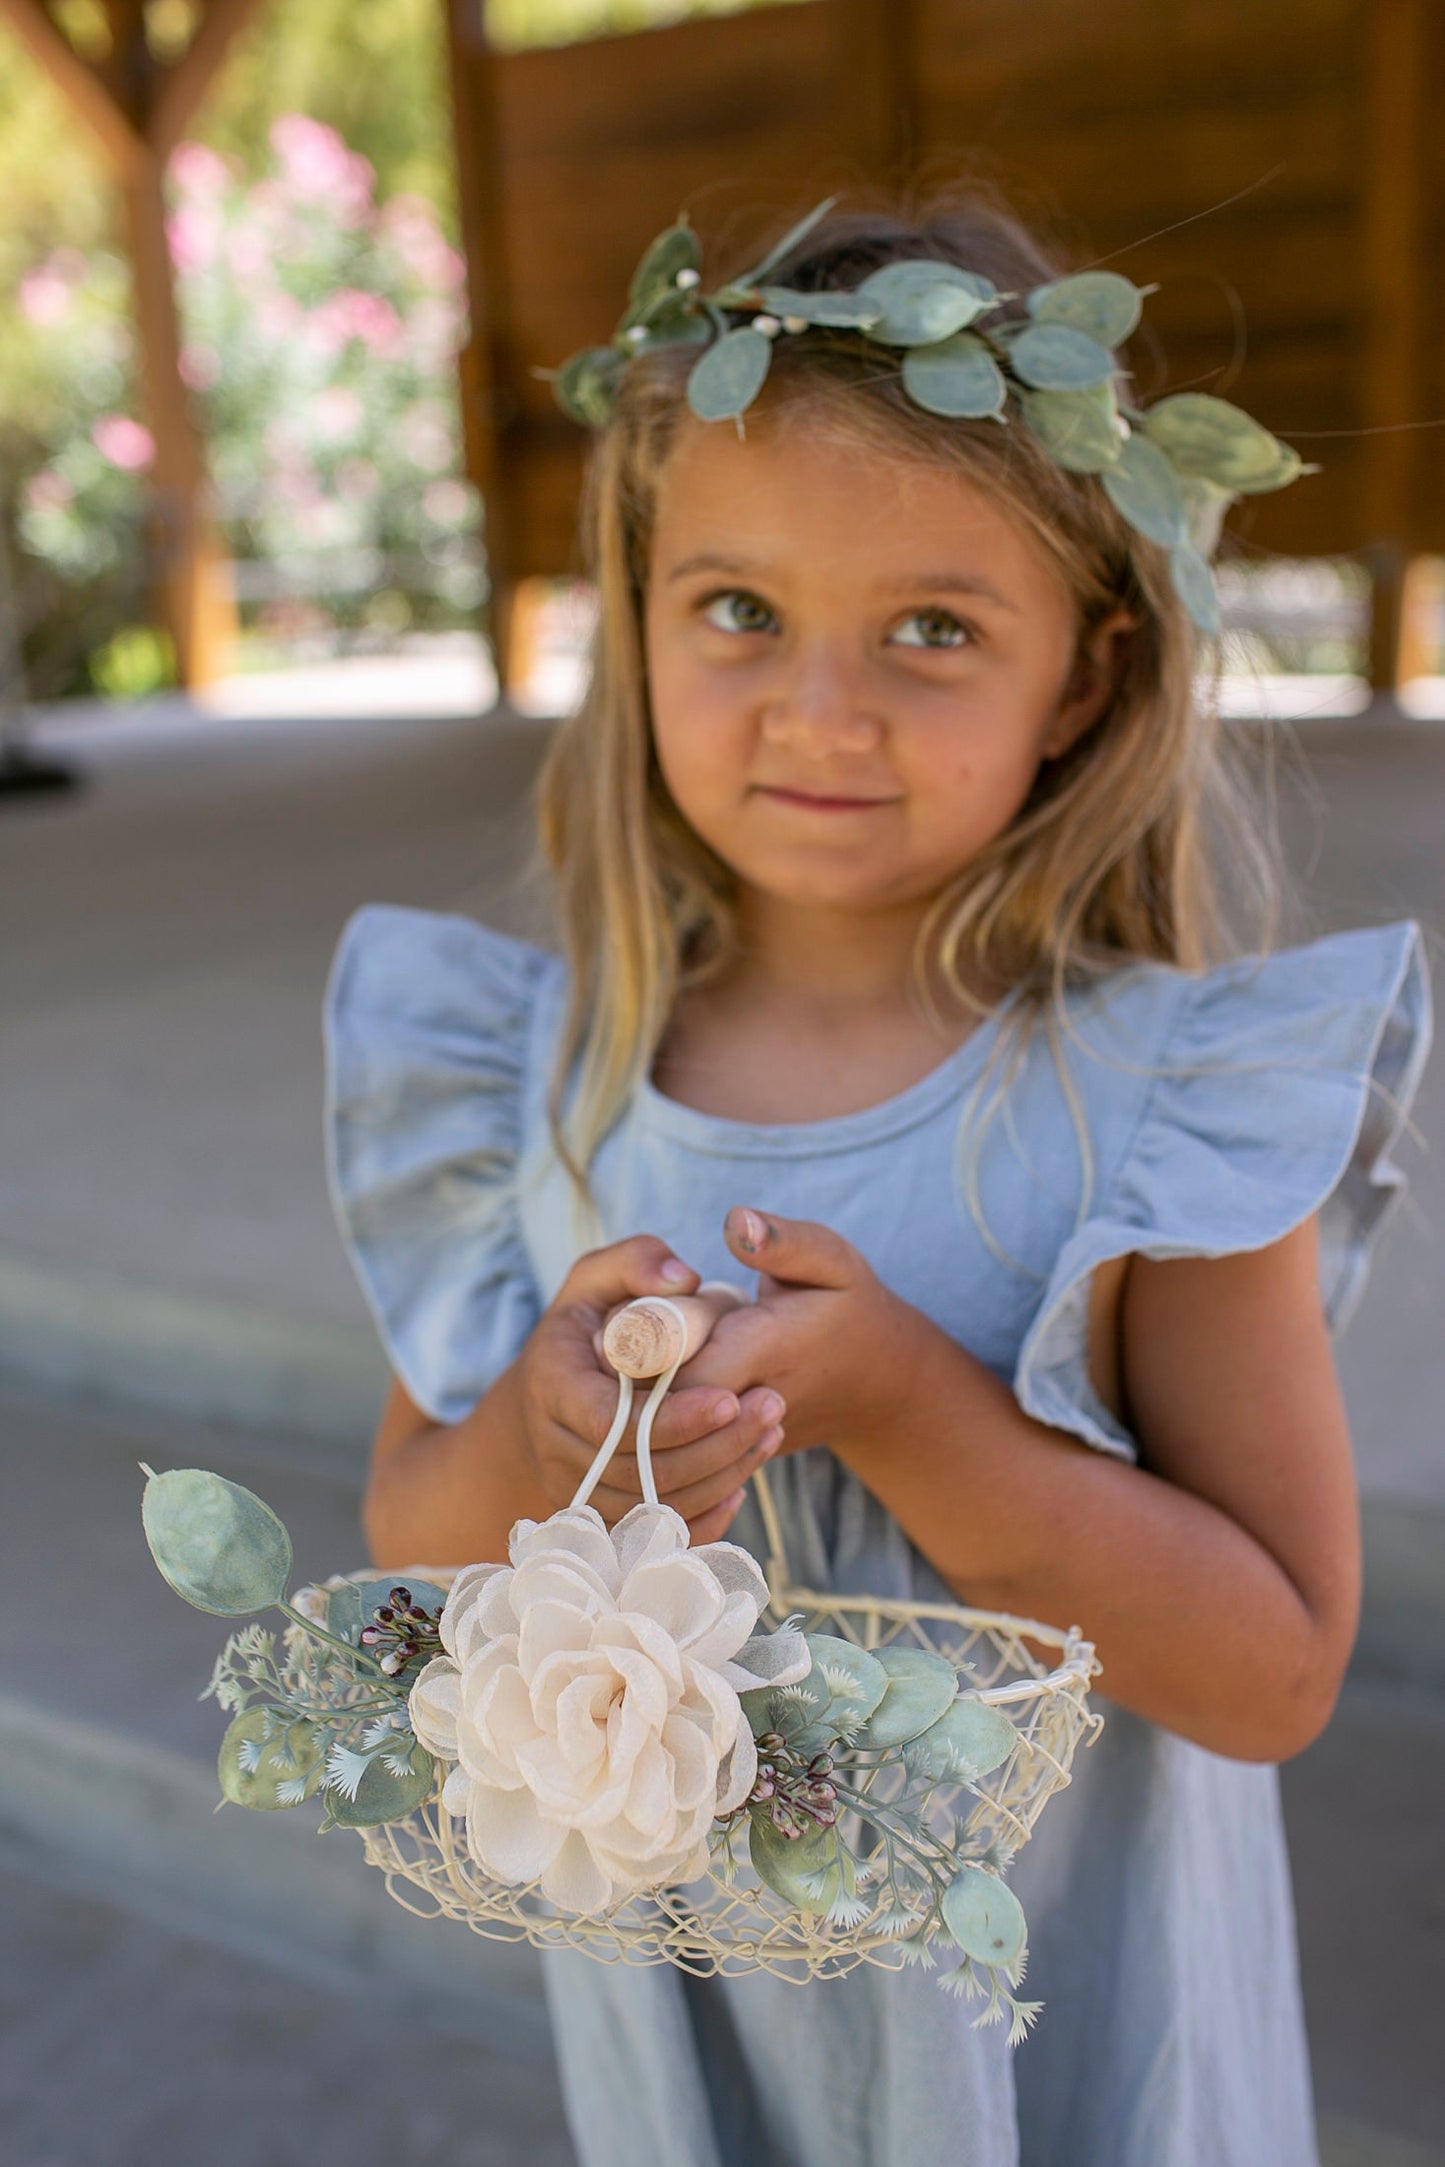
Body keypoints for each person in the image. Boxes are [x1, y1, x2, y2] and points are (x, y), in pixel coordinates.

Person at [323, 189, 1431, 2167]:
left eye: (934, 628)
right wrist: (551, 1448)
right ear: (637, 620)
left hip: (1068, 2046)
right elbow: (413, 1532)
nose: (821, 708)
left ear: (1079, 681)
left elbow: (1271, 1673)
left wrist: (916, 1411)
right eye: (738, 611)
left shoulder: (1159, 1109)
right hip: (706, 2046)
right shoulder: (531, 1082)